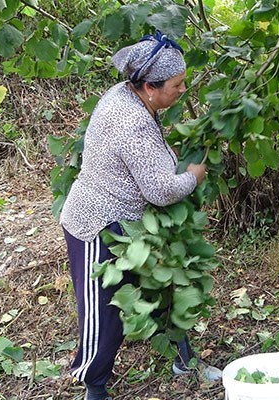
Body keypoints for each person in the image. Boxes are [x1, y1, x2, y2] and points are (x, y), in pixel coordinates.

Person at [59, 31, 221, 400]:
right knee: (104, 315)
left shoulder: (126, 95)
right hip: (97, 224)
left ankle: (185, 359)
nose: (183, 90)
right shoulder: (131, 122)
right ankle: (94, 387)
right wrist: (194, 176)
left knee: (164, 286)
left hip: (133, 222)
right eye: (177, 85)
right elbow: (160, 190)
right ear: (150, 86)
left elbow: (147, 158)